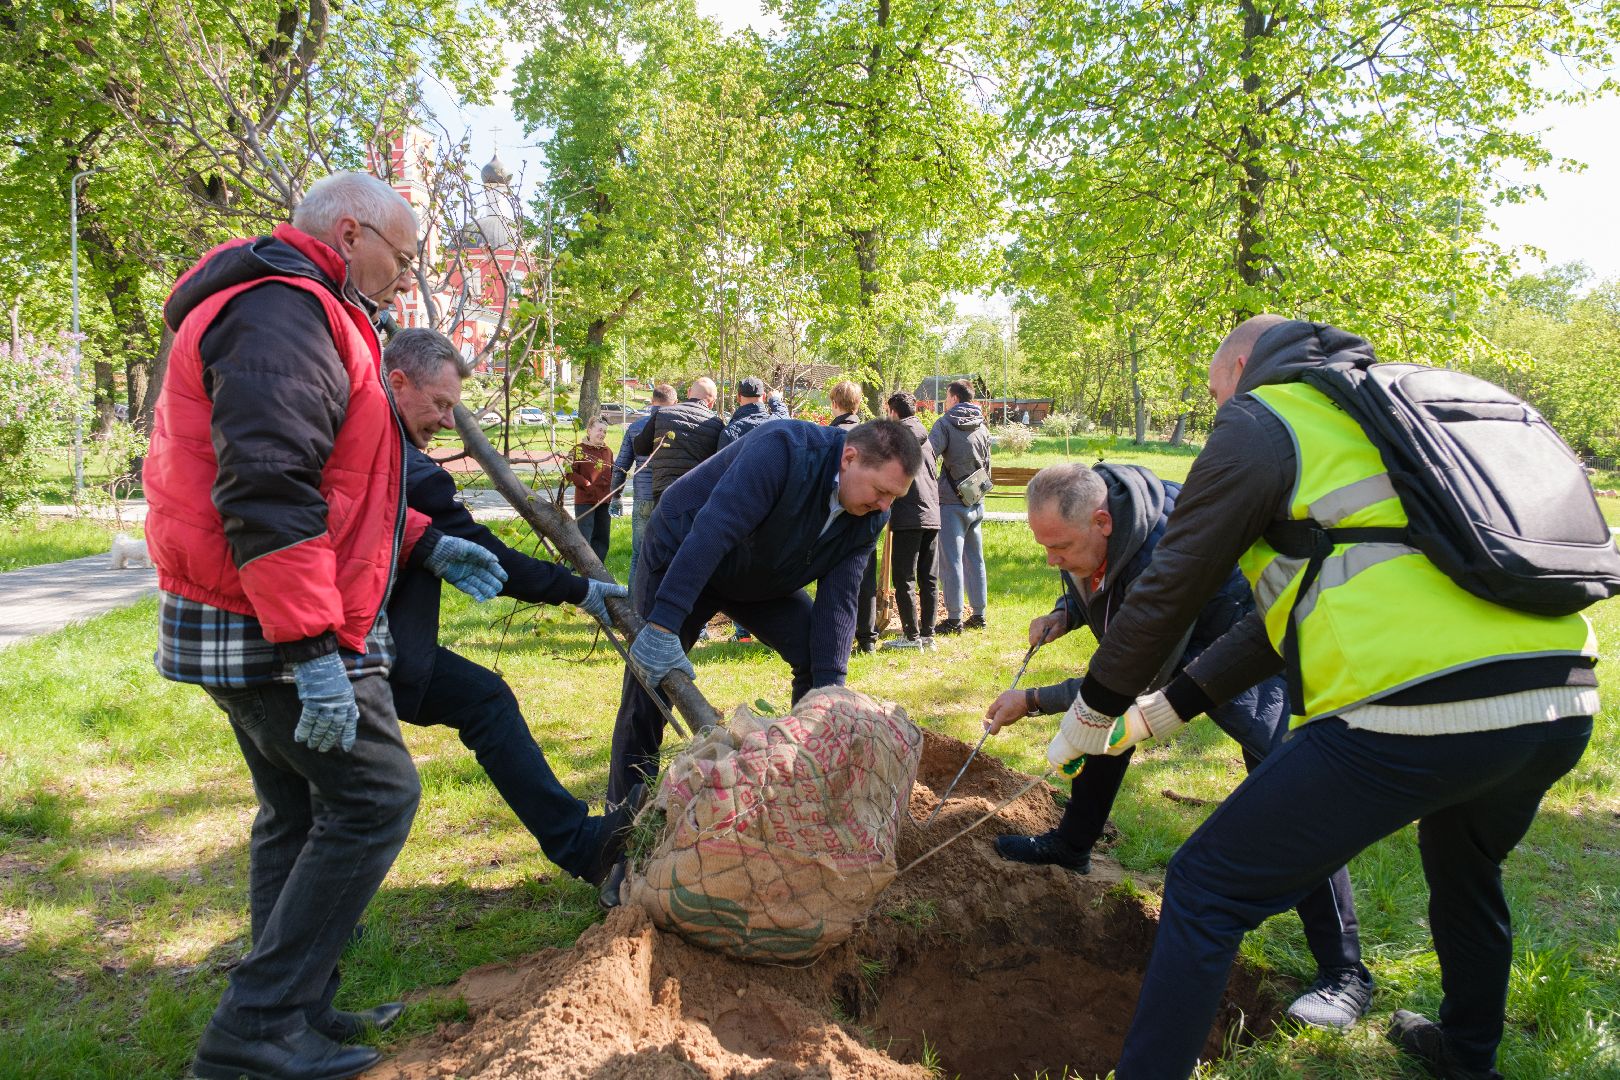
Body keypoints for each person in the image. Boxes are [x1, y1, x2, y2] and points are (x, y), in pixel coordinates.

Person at [1046, 317, 1598, 1080]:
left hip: (1412, 707)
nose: (1215, 414)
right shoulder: (1390, 418)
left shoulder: (1268, 417)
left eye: (1213, 395)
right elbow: (1281, 626)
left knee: (1206, 886)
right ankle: (1468, 1056)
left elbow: (1172, 584)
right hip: (1557, 695)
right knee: (1465, 868)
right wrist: (1161, 709)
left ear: (1241, 367)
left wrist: (1090, 710)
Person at [144, 172, 509, 1080]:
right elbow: (270, 488)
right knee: (376, 797)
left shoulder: (319, 309)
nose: (408, 270)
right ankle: (254, 1031)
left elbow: (344, 482)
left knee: (297, 810)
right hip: (270, 623)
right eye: (404, 252)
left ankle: (295, 1006)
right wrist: (311, 653)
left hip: (261, 611)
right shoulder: (282, 311)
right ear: (352, 233)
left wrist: (425, 542)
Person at [982, 461, 1372, 1030]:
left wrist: (1035, 700)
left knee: (1288, 785)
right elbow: (1096, 589)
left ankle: (1345, 973)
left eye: (1059, 547)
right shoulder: (1092, 512)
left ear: (1102, 521)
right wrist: (1066, 611)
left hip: (1246, 645)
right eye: (1044, 546)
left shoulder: (1168, 557)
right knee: (1103, 721)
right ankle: (1073, 843)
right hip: (1170, 641)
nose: (1050, 559)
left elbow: (1138, 675)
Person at [382, 328, 639, 886]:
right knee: (479, 708)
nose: (449, 421)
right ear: (397, 382)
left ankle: (304, 927)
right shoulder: (411, 472)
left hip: (336, 643)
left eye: (455, 407)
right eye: (441, 403)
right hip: (374, 651)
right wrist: (581, 590)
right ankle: (579, 844)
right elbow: (493, 561)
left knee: (306, 798)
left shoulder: (366, 448)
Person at [605, 419, 922, 812]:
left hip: (760, 572)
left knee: (816, 658)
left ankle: (803, 776)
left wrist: (830, 700)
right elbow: (714, 529)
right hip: (685, 548)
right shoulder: (784, 450)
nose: (885, 506)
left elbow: (838, 601)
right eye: (881, 491)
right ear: (849, 458)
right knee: (649, 686)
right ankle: (621, 821)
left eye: (895, 497)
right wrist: (664, 622)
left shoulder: (870, 515)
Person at [878, 391, 940, 651]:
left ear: (893, 411)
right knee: (929, 577)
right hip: (932, 513)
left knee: (904, 577)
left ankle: (912, 637)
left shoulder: (898, 439)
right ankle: (928, 634)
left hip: (908, 514)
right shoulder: (926, 438)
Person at [824, 382, 882, 652]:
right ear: (858, 404)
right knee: (865, 577)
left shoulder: (831, 435)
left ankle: (837, 637)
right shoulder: (873, 436)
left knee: (835, 580)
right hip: (868, 516)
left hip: (839, 516)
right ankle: (867, 637)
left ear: (835, 404)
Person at [929, 379, 991, 634]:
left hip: (951, 501)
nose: (945, 400)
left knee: (951, 561)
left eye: (946, 396)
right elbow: (987, 464)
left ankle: (954, 618)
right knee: (975, 559)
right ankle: (979, 614)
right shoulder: (983, 426)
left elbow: (928, 453)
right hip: (976, 499)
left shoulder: (944, 423)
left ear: (954, 398)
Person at [613, 383, 677, 605]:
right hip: (668, 499)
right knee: (669, 556)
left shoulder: (635, 427)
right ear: (674, 403)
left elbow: (621, 465)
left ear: (652, 401)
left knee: (639, 557)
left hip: (642, 498)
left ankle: (634, 606)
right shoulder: (676, 428)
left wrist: (615, 496)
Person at [632, 376, 723, 504]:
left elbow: (640, 447)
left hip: (664, 491)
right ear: (712, 401)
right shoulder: (717, 425)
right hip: (697, 495)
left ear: (689, 392)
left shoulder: (662, 414)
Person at [566, 415, 614, 563]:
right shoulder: (578, 450)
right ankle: (578, 566)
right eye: (599, 430)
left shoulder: (608, 451)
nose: (602, 434)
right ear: (589, 431)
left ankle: (598, 566)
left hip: (604, 500)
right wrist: (585, 483)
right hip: (585, 499)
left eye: (604, 432)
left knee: (602, 535)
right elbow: (568, 472)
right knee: (584, 535)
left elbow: (613, 472)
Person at [717, 375, 789, 448]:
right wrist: (775, 400)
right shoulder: (777, 423)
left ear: (738, 398)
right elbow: (784, 415)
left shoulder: (729, 432)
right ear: (764, 397)